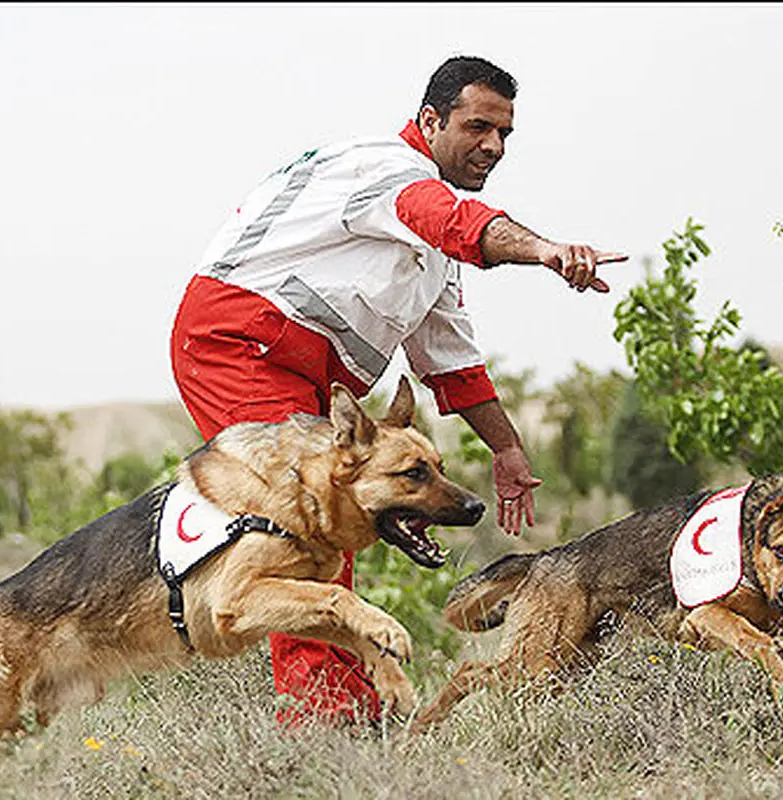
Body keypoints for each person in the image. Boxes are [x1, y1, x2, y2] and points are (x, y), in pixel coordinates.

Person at [169, 55, 627, 726]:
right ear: (430, 120)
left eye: (504, 134)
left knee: (335, 524)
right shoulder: (387, 172)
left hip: (309, 378)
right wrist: (546, 251)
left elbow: (451, 360)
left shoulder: (431, 242)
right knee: (311, 523)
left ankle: (345, 704)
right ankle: (325, 722)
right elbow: (454, 222)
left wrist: (506, 450)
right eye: (477, 127)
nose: (493, 147)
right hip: (239, 344)